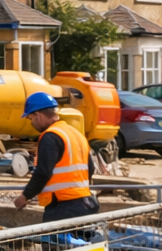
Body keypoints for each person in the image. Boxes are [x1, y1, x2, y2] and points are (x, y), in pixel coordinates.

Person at [13, 91, 98, 222]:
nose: (32, 124)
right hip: (85, 203)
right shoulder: (76, 134)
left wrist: (25, 196)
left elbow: (43, 173)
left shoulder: (50, 137)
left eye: (31, 119)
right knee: (84, 242)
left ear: (38, 115)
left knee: (55, 242)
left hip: (63, 206)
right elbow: (90, 169)